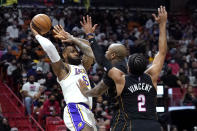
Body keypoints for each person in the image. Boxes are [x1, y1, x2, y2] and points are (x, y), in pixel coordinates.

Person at [79, 6, 167, 131]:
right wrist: (162, 24)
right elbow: (162, 52)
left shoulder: (121, 79)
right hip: (153, 125)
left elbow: (101, 60)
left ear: (128, 67)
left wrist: (90, 36)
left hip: (132, 125)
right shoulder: (151, 76)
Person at [30, 23, 97, 131]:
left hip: (88, 111)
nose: (76, 53)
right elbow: (50, 49)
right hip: (75, 108)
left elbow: (89, 48)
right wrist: (37, 35)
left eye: (76, 51)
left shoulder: (82, 66)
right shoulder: (63, 68)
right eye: (72, 51)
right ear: (64, 55)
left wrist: (71, 37)